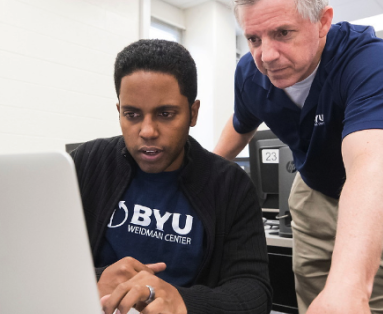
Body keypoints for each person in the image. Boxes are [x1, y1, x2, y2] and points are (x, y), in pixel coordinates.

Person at [213, 0, 383, 313]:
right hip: (313, 195)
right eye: (253, 39)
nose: (266, 55)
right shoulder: (250, 73)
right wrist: (200, 174)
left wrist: (350, 287)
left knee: (377, 303)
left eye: (282, 33)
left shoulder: (368, 58)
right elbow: (242, 123)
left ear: (322, 22)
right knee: (316, 302)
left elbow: (370, 168)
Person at [70, 39, 271, 314]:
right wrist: (95, 279)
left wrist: (183, 302)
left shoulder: (229, 185)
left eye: (165, 114)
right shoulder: (88, 162)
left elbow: (254, 293)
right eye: (132, 115)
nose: (148, 131)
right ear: (119, 112)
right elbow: (41, 257)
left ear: (193, 113)